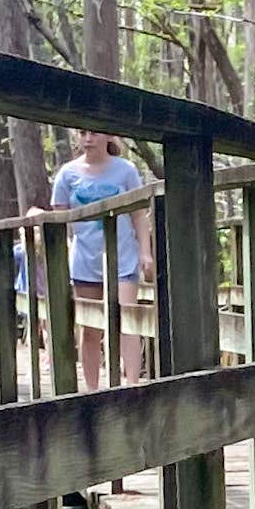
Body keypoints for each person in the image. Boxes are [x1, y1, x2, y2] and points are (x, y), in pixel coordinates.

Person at [51, 128, 152, 386]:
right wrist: (60, 255)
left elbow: (139, 214)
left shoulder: (126, 170)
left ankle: (132, 386)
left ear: (108, 137)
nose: (88, 138)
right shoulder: (67, 174)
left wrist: (145, 251)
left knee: (126, 321)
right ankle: (94, 390)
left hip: (123, 257)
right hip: (85, 260)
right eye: (82, 133)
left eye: (94, 133)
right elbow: (58, 221)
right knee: (90, 329)